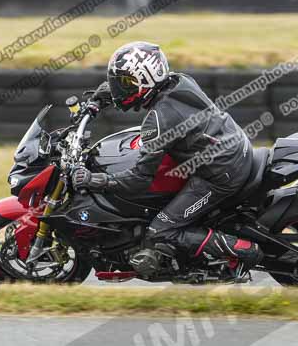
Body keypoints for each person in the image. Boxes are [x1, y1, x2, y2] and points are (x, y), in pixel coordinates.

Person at [71, 41, 262, 273]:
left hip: (221, 174)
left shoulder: (159, 119)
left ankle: (244, 249)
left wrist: (95, 180)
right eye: (119, 83)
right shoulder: (179, 82)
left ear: (145, 81)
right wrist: (106, 93)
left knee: (161, 230)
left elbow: (140, 178)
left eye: (125, 83)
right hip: (232, 147)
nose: (121, 88)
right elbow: (135, 89)